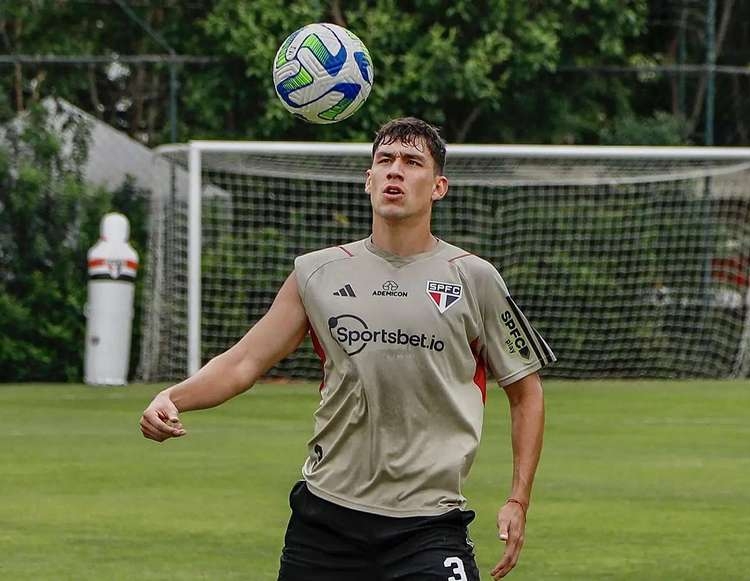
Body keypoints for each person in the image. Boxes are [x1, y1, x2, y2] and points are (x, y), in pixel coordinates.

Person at [140, 117, 555, 580]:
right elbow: (243, 361)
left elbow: (526, 391)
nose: (395, 170)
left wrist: (518, 498)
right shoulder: (317, 273)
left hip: (429, 524)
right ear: (369, 180)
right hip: (325, 521)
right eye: (385, 160)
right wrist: (172, 397)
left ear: (439, 186)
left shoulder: (475, 278)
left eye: (412, 161)